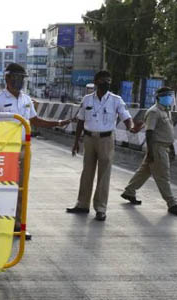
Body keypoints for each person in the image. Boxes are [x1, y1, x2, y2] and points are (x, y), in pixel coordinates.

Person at [0, 63, 71, 238]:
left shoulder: (26, 100)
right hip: (5, 149)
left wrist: (57, 123)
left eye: (21, 78)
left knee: (21, 188)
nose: (19, 81)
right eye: (16, 77)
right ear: (7, 78)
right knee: (3, 187)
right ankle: (0, 223)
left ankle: (18, 225)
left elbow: (35, 121)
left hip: (24, 148)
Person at [68, 70, 134, 221]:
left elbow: (126, 117)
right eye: (103, 80)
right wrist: (76, 141)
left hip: (106, 140)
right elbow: (80, 121)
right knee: (87, 173)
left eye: (108, 81)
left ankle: (100, 208)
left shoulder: (116, 100)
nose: (106, 83)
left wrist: (131, 127)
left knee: (104, 175)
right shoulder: (87, 99)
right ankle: (82, 204)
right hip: (89, 139)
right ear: (96, 82)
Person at [121, 87, 177, 215]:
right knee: (163, 175)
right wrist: (151, 152)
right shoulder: (154, 112)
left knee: (144, 171)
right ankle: (172, 203)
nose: (169, 98)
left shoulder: (166, 111)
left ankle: (129, 191)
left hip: (163, 147)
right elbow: (149, 133)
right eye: (167, 95)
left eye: (170, 95)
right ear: (159, 98)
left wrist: (171, 147)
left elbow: (168, 130)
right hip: (157, 148)